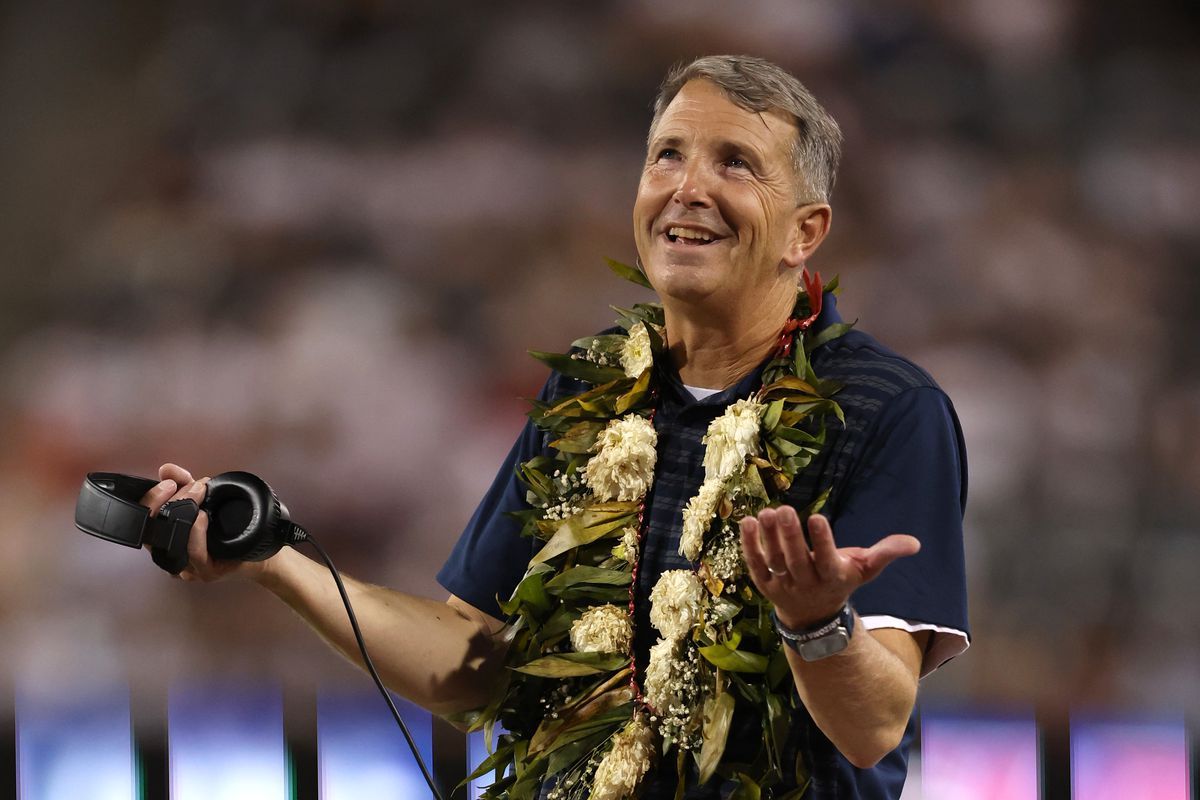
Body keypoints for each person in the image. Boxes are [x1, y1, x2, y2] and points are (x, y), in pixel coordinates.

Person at [140, 55, 968, 799]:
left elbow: (872, 729)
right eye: (667, 155)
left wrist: (815, 620)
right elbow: (473, 660)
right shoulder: (591, 388)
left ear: (805, 233)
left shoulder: (885, 409)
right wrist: (277, 561)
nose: (688, 187)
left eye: (736, 164)